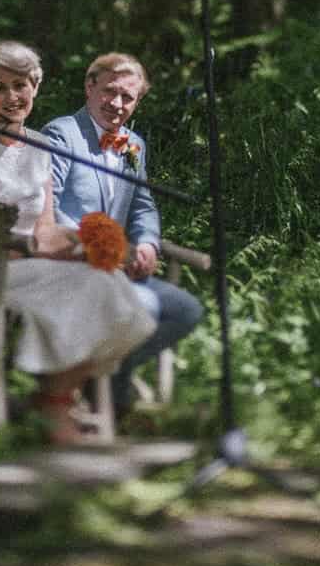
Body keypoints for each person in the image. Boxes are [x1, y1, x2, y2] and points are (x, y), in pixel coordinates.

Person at [0, 40, 156, 445]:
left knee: (113, 287)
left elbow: (47, 231)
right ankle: (55, 404)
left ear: (35, 87)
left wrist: (89, 243)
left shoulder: (40, 147)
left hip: (28, 263)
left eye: (20, 85)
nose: (11, 97)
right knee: (83, 288)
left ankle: (53, 395)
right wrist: (37, 250)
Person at [43, 53, 204, 422]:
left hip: (118, 267)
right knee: (142, 306)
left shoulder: (134, 144)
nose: (117, 104)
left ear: (138, 101)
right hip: (75, 263)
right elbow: (48, 209)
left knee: (185, 310)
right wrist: (99, 248)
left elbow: (143, 204)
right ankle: (108, 405)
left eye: (127, 97)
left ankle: (100, 381)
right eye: (109, 92)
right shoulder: (62, 133)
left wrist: (146, 242)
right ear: (90, 87)